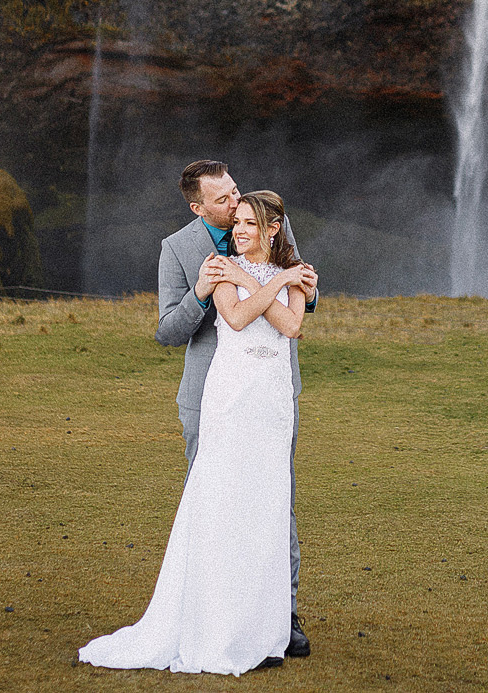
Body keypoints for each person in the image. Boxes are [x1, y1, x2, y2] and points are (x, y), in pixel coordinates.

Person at [79, 190, 313, 673]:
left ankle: (265, 632)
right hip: (230, 402)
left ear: (272, 229)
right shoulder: (222, 267)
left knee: (266, 509)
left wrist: (277, 279)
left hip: (271, 404)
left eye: (249, 223)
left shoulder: (290, 269)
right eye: (236, 222)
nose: (239, 230)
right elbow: (236, 315)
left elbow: (291, 326)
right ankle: (217, 627)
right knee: (223, 502)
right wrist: (263, 279)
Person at [152, 161, 318, 655]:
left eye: (236, 193)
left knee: (274, 501)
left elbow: (302, 299)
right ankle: (210, 613)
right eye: (223, 201)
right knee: (216, 504)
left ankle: (281, 615)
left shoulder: (270, 220)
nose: (234, 205)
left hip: (271, 389)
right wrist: (201, 293)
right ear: (197, 206)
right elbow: (166, 331)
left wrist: (304, 285)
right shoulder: (178, 249)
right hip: (211, 396)